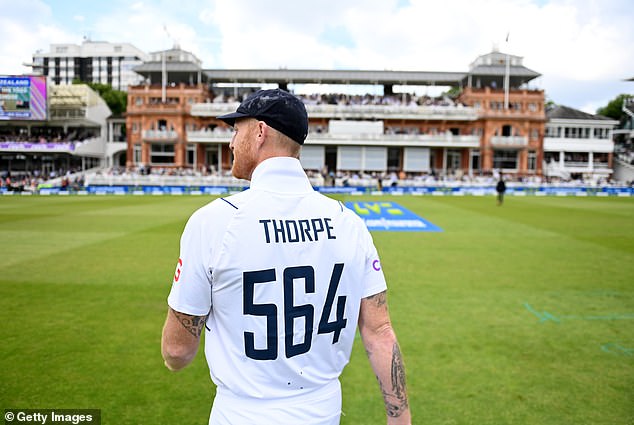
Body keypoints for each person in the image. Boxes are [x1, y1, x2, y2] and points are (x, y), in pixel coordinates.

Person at [161, 88, 411, 425]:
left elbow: (177, 351)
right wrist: (400, 418)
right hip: (323, 410)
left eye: (237, 130)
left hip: (242, 414)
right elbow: (380, 333)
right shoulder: (349, 223)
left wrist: (173, 358)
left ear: (260, 132)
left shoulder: (214, 221)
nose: (232, 143)